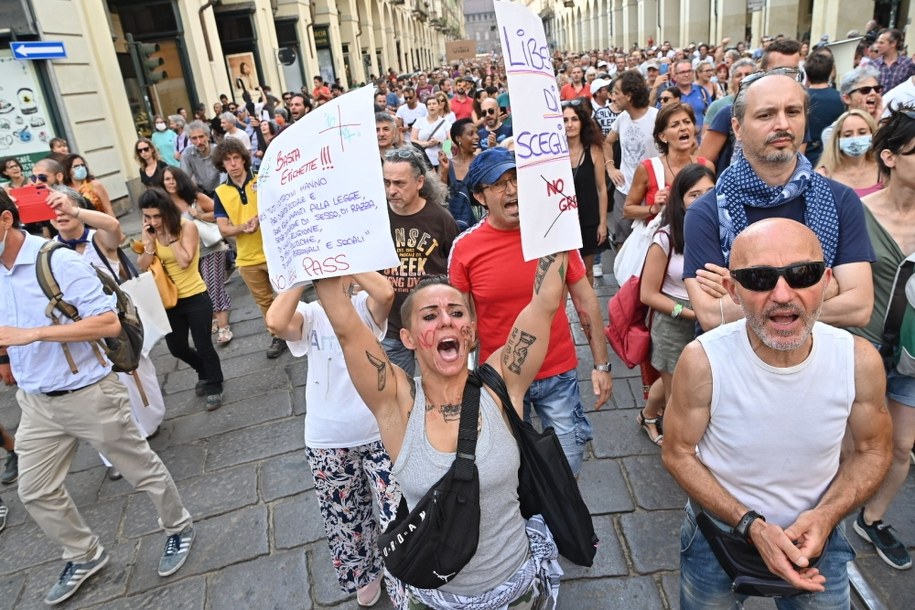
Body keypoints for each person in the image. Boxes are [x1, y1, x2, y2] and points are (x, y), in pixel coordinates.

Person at [315, 248, 570, 607]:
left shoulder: (502, 385)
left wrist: (554, 216)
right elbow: (345, 328)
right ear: (407, 338)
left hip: (518, 590)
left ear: (471, 331)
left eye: (456, 312)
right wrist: (317, 241)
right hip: (434, 599)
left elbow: (544, 304)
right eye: (430, 316)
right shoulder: (397, 402)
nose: (446, 321)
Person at [663, 217, 892, 609]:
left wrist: (826, 516)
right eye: (759, 278)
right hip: (718, 535)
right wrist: (750, 524)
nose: (783, 294)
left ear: (826, 281)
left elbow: (874, 449)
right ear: (733, 291)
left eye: (802, 274)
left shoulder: (857, 360)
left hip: (819, 539)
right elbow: (677, 452)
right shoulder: (704, 361)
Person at [0, 190, 195, 606]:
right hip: (36, 403)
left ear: (4, 221)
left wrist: (34, 334)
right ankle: (84, 553)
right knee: (33, 490)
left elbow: (107, 322)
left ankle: (178, 527)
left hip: (89, 392)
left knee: (139, 468)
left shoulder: (56, 260)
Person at [448, 147, 613, 475]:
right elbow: (460, 322)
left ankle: (558, 524)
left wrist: (601, 364)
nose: (511, 190)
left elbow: (585, 300)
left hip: (558, 373)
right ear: (480, 196)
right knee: (512, 470)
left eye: (516, 180)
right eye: (499, 184)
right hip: (501, 379)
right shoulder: (465, 248)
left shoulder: (555, 234)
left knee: (566, 466)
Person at [683, 70, 876, 333]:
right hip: (737, 366)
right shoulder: (706, 212)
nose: (783, 124)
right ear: (737, 128)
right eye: (766, 114)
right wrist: (823, 288)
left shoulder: (840, 200)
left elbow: (859, 307)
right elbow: (710, 315)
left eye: (793, 112)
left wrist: (750, 295)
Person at [266, 273, 401, 607]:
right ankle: (366, 575)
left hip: (379, 429)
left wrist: (345, 257)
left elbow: (385, 292)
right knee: (346, 518)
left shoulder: (363, 308)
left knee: (397, 512)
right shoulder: (310, 315)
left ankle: (403, 576)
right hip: (327, 438)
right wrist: (303, 271)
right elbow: (276, 322)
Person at [49, 187, 167, 478]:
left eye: (67, 209)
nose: (61, 215)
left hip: (118, 323)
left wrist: (74, 210)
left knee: (140, 379)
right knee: (98, 393)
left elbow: (114, 226)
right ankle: (113, 454)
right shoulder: (48, 251)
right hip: (81, 330)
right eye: (56, 212)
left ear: (80, 209)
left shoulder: (98, 239)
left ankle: (147, 426)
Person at [847, 107, 915, 571]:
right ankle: (828, 516)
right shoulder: (858, 211)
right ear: (889, 158)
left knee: (903, 447)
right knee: (850, 445)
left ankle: (871, 519)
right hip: (861, 349)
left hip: (912, 359)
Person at [636, 164, 715, 445]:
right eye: (695, 194)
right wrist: (689, 313)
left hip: (712, 322)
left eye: (710, 191)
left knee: (695, 383)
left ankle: (646, 415)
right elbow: (648, 294)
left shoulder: (723, 231)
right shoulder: (665, 238)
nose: (705, 199)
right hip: (673, 322)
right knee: (678, 393)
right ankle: (678, 449)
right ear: (680, 200)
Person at [137, 188, 225, 410]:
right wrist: (149, 242)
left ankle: (215, 384)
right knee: (177, 348)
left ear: (167, 211)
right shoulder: (150, 232)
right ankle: (202, 370)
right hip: (168, 300)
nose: (153, 221)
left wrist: (170, 237)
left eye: (157, 216)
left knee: (204, 345)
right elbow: (142, 265)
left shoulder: (187, 227)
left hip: (195, 296)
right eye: (148, 217)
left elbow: (185, 261)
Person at [380, 147, 458, 377]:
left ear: (419, 182)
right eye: (386, 182)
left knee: (440, 386)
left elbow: (456, 270)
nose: (391, 190)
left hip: (433, 325)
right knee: (400, 393)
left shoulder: (441, 219)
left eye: (399, 183)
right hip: (391, 327)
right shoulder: (376, 218)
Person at [212, 138, 286, 359]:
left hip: (274, 251)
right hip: (246, 257)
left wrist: (259, 219)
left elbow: (278, 206)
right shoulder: (220, 192)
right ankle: (277, 335)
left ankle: (297, 328)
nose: (233, 164)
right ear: (222, 164)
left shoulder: (262, 179)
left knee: (285, 294)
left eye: (236, 158)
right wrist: (243, 227)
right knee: (264, 300)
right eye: (228, 160)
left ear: (244, 159)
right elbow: (223, 229)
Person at [162, 166, 233, 344]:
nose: (170, 183)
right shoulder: (164, 205)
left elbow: (220, 213)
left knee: (213, 286)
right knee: (201, 290)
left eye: (173, 178)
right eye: (166, 179)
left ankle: (224, 327)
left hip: (210, 248)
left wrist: (198, 214)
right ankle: (213, 319)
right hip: (188, 254)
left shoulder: (195, 198)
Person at [622, 103, 714, 225]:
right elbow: (628, 210)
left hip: (696, 235)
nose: (683, 128)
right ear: (662, 136)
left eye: (687, 122)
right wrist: (653, 209)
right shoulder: (647, 168)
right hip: (659, 240)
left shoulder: (706, 166)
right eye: (675, 125)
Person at [604, 70, 659, 246]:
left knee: (650, 242)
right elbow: (607, 142)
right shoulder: (621, 119)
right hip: (624, 192)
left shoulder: (657, 118)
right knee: (623, 241)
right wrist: (610, 167)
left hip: (652, 193)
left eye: (616, 93)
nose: (612, 97)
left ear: (629, 96)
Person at [562, 99, 608, 285]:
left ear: (582, 121)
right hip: (564, 221)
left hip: (589, 220)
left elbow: (602, 188)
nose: (570, 124)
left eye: (574, 119)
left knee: (586, 271)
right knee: (563, 274)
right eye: (565, 120)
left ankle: (587, 312)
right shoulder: (554, 152)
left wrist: (603, 223)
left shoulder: (594, 150)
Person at [816, 110, 883, 197]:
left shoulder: (884, 171)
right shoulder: (824, 175)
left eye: (862, 133)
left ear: (872, 134)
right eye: (847, 135)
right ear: (838, 139)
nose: (855, 138)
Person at [820, 65, 884, 147]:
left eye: (877, 89)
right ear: (847, 98)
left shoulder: (887, 126)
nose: (873, 93)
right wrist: (873, 126)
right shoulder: (833, 132)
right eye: (865, 90)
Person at [438, 118, 480, 231]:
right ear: (458, 138)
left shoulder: (480, 163)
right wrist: (444, 171)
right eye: (471, 134)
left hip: (476, 227)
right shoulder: (448, 164)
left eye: (477, 133)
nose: (477, 137)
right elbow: (440, 196)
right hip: (451, 225)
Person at [180, 121, 222, 197]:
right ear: (190, 139)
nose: (199, 142)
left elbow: (224, 177)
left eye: (201, 136)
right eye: (194, 138)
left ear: (208, 136)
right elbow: (184, 177)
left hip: (221, 191)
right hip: (202, 192)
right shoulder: (187, 153)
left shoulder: (219, 151)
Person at [411, 96, 451, 169]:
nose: (431, 106)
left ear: (439, 106)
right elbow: (413, 140)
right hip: (424, 160)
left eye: (434, 103)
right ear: (426, 107)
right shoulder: (419, 121)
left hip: (441, 160)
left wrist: (439, 142)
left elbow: (451, 143)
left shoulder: (446, 123)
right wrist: (426, 144)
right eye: (429, 104)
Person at [873, 28, 915, 93]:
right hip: (878, 102)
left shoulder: (907, 64)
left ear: (893, 43)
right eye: (877, 42)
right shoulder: (873, 64)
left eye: (881, 43)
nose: (878, 46)